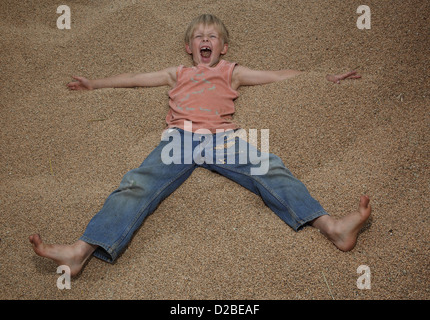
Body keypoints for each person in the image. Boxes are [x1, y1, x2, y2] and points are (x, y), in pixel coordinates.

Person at [30, 14, 371, 277]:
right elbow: (135, 80)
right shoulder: (177, 73)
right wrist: (96, 84)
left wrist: (320, 77)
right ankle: (81, 250)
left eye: (213, 37)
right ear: (188, 47)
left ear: (223, 48)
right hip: (179, 138)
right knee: (137, 183)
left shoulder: (231, 71)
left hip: (222, 139)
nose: (205, 39)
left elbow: (275, 75)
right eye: (198, 36)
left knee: (270, 167)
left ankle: (333, 227)